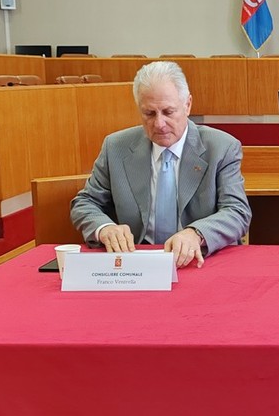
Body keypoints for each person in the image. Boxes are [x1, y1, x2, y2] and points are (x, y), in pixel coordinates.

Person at [70, 61, 251, 267]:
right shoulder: (116, 147)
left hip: (198, 261)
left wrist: (196, 233)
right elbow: (85, 203)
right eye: (149, 114)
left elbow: (237, 211)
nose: (159, 124)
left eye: (168, 112)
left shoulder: (221, 147)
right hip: (136, 262)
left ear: (187, 105)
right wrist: (105, 228)